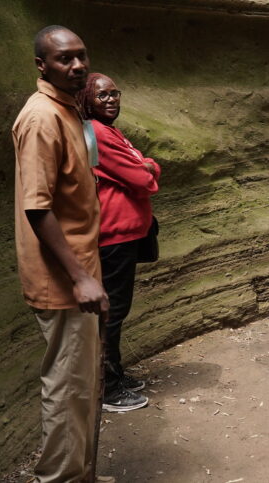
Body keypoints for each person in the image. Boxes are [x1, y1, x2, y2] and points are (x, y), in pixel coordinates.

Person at [12, 25, 110, 482]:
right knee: (68, 388)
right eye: (64, 59)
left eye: (81, 57)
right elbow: (37, 207)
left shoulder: (68, 108)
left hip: (80, 272)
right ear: (41, 66)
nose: (77, 66)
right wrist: (80, 278)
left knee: (84, 385)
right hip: (63, 280)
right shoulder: (41, 118)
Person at [78, 72, 161, 412]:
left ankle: (115, 373)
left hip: (126, 232)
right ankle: (108, 389)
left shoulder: (109, 130)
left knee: (118, 309)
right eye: (102, 95)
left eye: (115, 93)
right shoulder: (96, 132)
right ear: (87, 100)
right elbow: (142, 177)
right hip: (114, 236)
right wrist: (149, 166)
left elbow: (140, 169)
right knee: (112, 312)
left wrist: (145, 165)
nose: (111, 100)